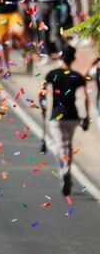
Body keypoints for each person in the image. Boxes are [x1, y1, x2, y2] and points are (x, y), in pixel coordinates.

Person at [40, 45, 91, 196]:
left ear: (61, 58)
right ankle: (66, 170)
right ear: (73, 59)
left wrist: (43, 105)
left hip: (56, 116)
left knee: (61, 146)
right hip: (72, 116)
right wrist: (86, 116)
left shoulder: (51, 74)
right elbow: (86, 97)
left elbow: (42, 92)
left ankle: (64, 171)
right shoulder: (77, 76)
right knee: (68, 145)